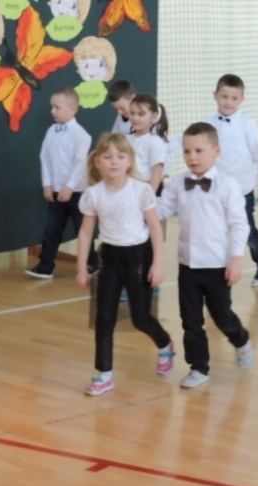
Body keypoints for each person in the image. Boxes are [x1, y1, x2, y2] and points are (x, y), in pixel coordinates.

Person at [76, 133, 174, 396]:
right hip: (110, 259)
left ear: (129, 161)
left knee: (141, 318)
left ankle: (165, 344)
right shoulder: (93, 194)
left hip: (138, 258)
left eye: (120, 157)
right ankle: (104, 374)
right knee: (104, 317)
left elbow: (155, 227)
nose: (114, 162)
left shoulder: (140, 190)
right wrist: (81, 267)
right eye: (107, 157)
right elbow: (86, 232)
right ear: (97, 162)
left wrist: (158, 264)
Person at [157, 123, 254, 388]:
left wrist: (236, 260)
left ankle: (241, 339)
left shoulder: (227, 185)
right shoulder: (178, 183)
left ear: (216, 151)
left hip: (218, 266)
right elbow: (160, 210)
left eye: (199, 151)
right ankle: (198, 367)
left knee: (222, 317)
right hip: (188, 265)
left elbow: (239, 225)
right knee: (190, 321)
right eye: (187, 151)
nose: (192, 157)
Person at [204, 74, 258, 286]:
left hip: (242, 190)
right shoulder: (207, 124)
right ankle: (219, 267)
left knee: (247, 230)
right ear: (215, 95)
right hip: (215, 189)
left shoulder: (247, 125)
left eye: (234, 98)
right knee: (216, 229)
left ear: (242, 99)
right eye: (224, 96)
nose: (228, 102)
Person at [25, 88, 97, 279]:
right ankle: (46, 266)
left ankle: (92, 262)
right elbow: (45, 157)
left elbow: (81, 163)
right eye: (52, 107)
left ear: (72, 109)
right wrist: (47, 184)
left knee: (83, 228)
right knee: (52, 229)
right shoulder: (51, 131)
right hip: (56, 191)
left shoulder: (81, 135)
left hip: (77, 192)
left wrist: (70, 186)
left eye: (57, 107)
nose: (53, 111)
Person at [126, 93, 168, 194]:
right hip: (129, 188)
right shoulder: (126, 139)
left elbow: (157, 173)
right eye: (132, 113)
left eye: (141, 114)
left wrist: (149, 197)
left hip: (147, 189)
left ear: (153, 116)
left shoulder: (154, 141)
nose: (135, 118)